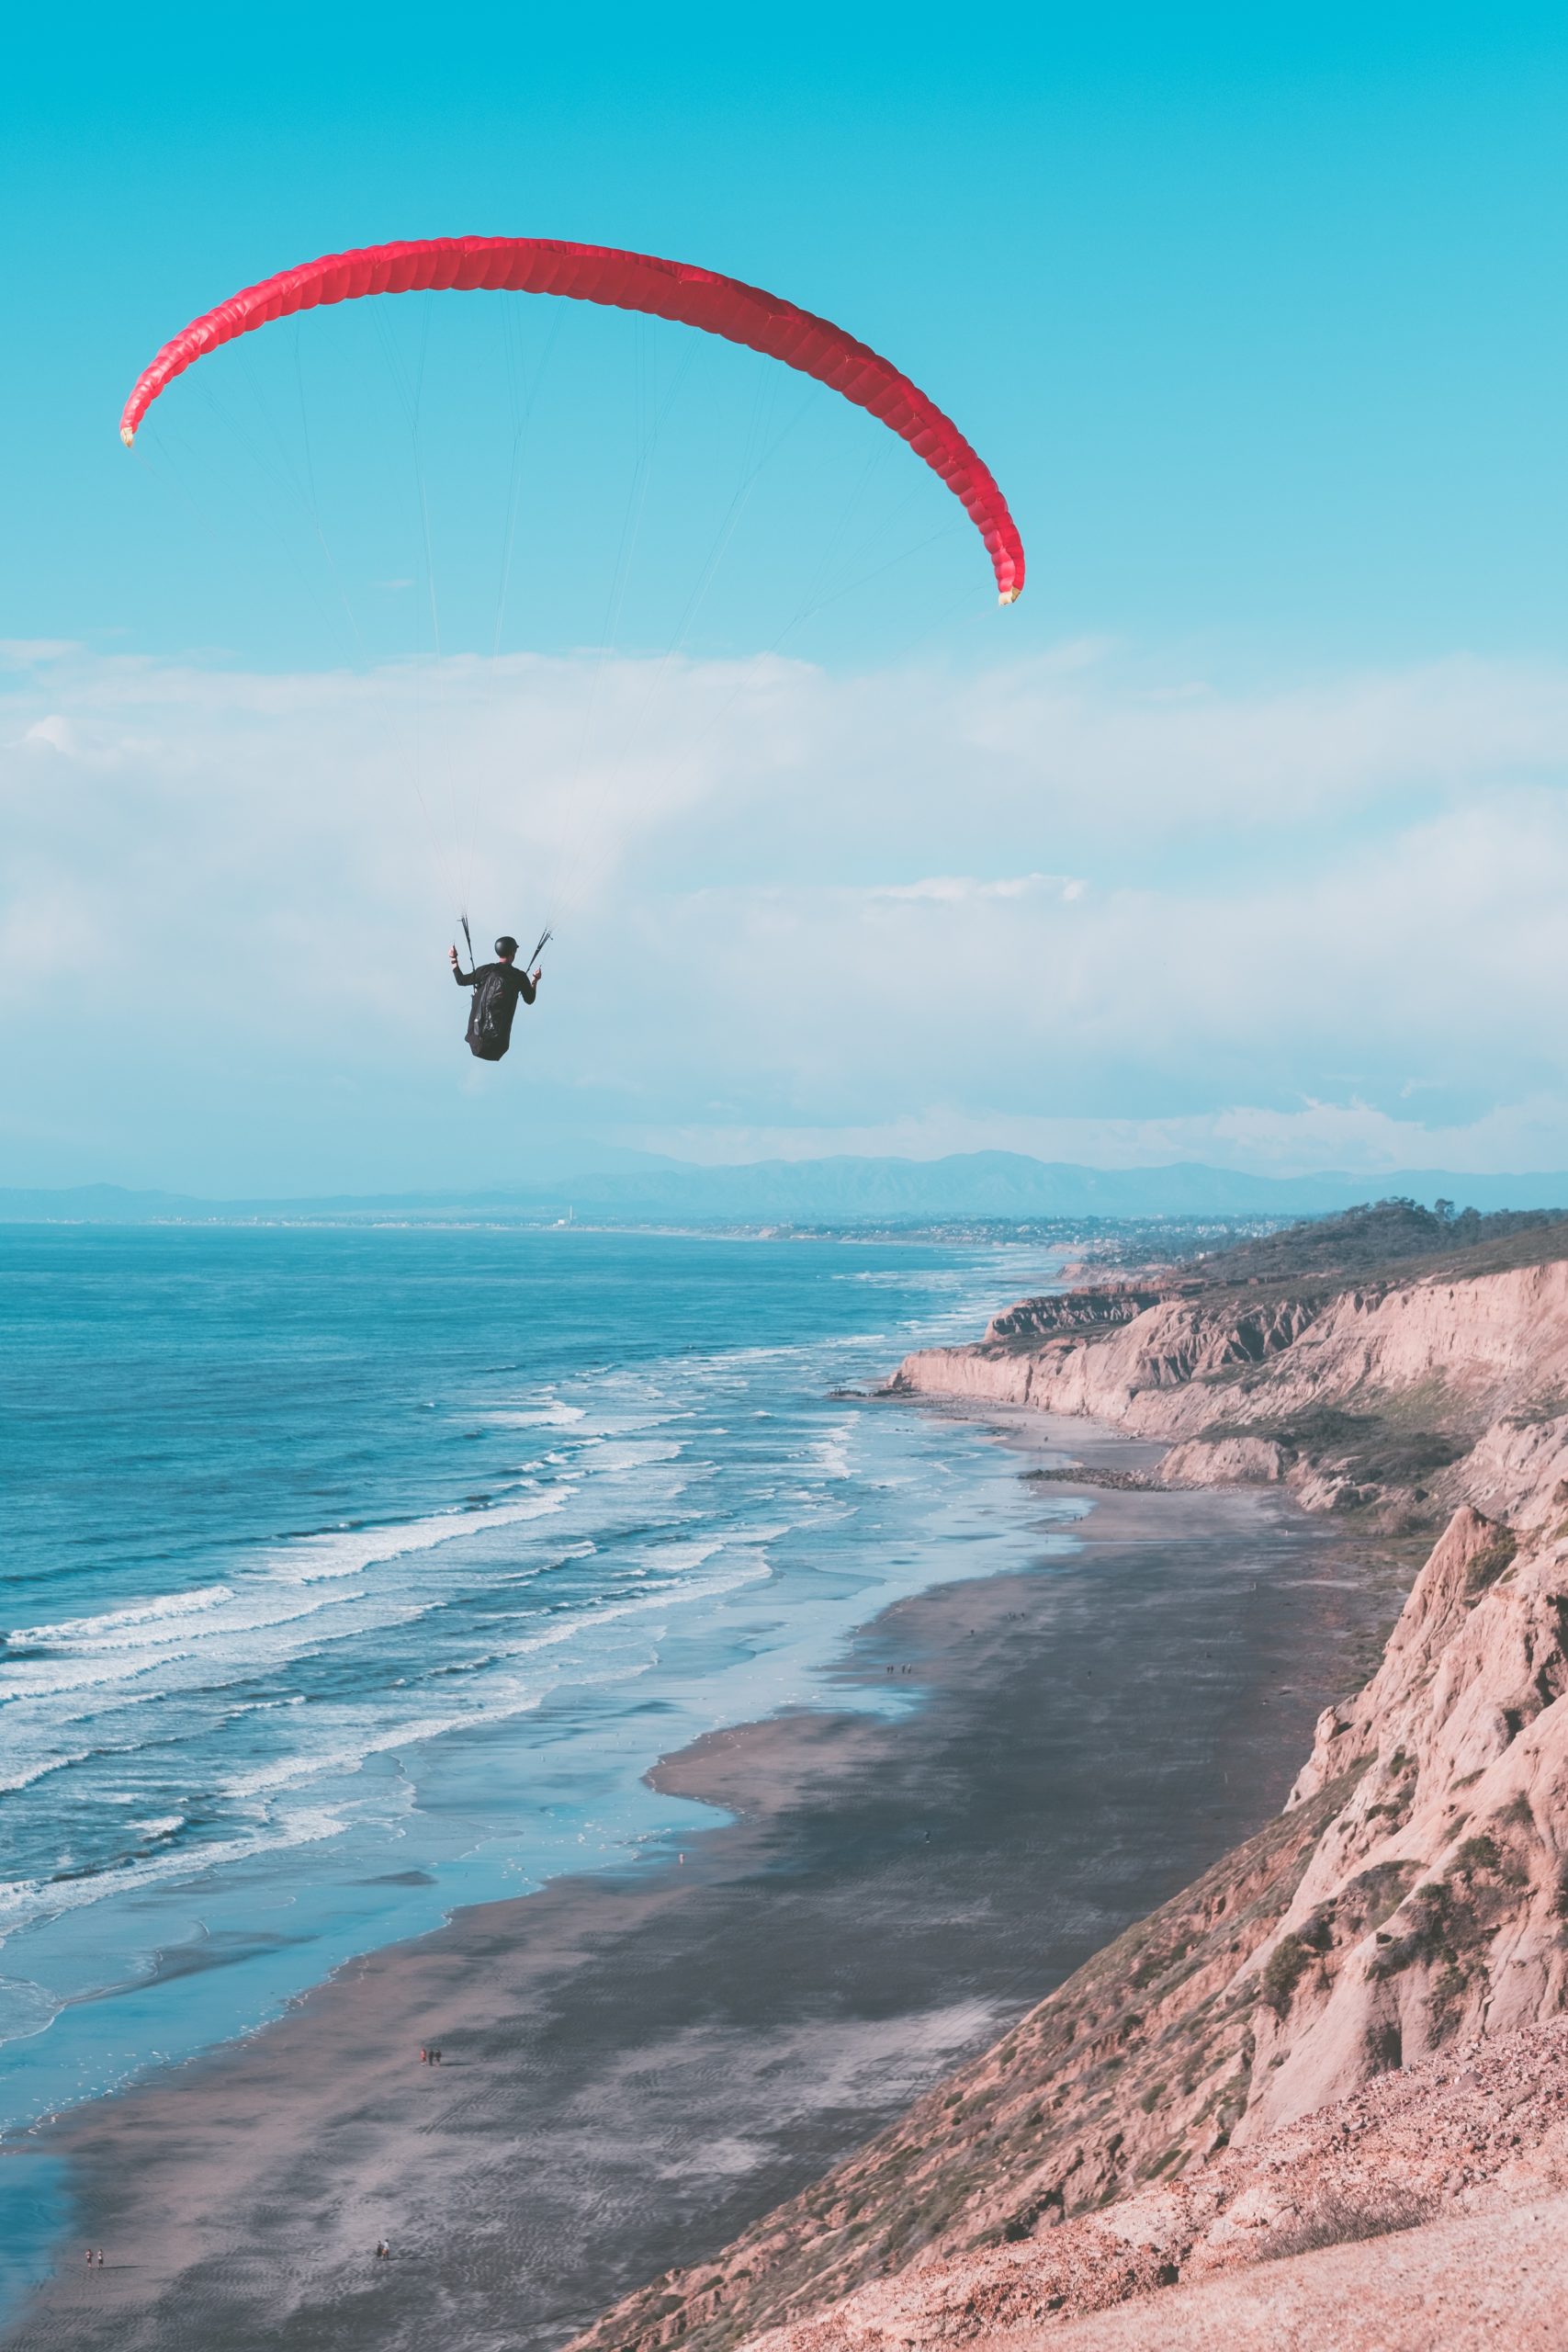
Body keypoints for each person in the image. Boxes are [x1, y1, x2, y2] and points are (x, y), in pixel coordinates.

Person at [448, 935, 542, 1063]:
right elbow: (530, 999)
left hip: (477, 1041)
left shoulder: (487, 970)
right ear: (512, 953)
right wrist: (534, 980)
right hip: (499, 1046)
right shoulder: (519, 977)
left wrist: (453, 958)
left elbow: (461, 980)